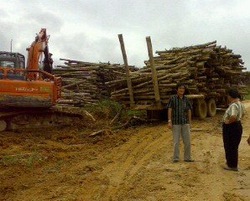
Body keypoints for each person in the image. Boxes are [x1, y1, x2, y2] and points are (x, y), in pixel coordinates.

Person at [167, 83, 193, 163]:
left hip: (185, 122)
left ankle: (187, 158)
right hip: (176, 123)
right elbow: (170, 109)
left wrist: (190, 122)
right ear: (177, 89)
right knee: (176, 141)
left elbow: (189, 110)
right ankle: (176, 158)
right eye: (180, 88)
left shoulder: (186, 99)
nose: (182, 90)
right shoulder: (173, 99)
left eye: (183, 88)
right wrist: (169, 121)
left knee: (187, 141)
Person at [222, 88, 245, 171]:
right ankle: (232, 163)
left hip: (231, 127)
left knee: (229, 145)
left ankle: (231, 165)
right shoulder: (240, 103)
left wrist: (228, 122)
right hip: (238, 125)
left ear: (230, 96)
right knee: (234, 146)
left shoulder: (233, 105)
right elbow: (243, 114)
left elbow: (233, 116)